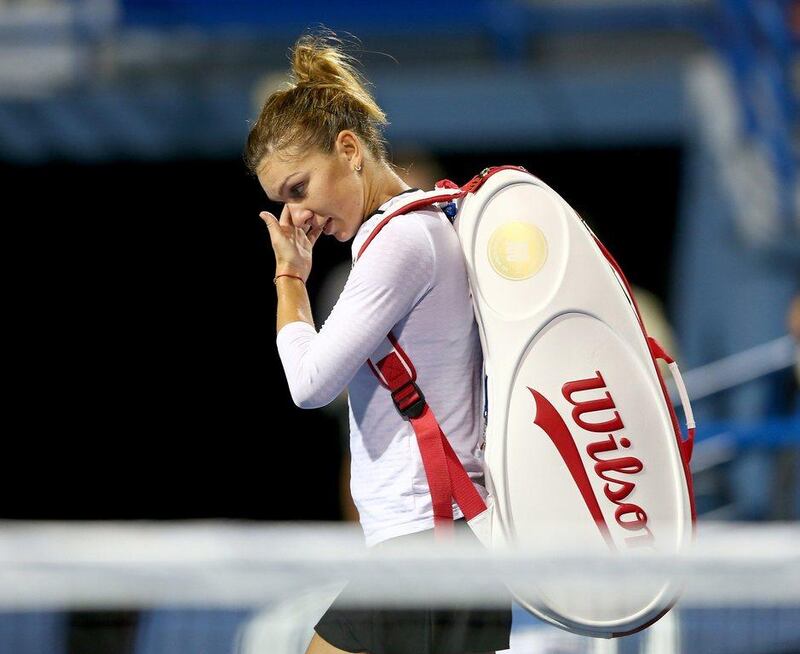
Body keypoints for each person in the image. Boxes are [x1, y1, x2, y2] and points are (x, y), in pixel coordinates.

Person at [244, 30, 512, 654]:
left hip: (431, 545)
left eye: (298, 188)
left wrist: (289, 278)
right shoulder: (415, 230)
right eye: (281, 202)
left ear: (349, 150)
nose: (296, 218)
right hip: (434, 543)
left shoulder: (400, 243)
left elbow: (309, 386)